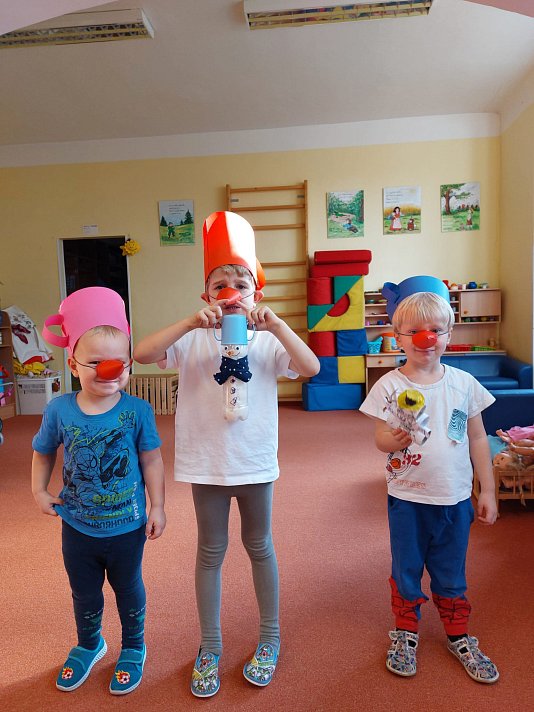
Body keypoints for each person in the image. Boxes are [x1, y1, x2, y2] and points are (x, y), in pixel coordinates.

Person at [134, 211, 319, 698]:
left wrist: (278, 326)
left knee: (260, 546)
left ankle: (270, 638)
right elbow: (142, 353)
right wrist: (188, 322)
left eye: (241, 284)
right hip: (208, 465)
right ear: (206, 296)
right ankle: (210, 645)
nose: (231, 291)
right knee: (211, 552)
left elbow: (311, 367)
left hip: (254, 462)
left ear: (257, 292)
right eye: (220, 285)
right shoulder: (193, 338)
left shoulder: (267, 340)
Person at [359, 276, 499, 684]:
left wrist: (488, 490)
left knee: (451, 570)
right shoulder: (390, 385)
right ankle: (405, 632)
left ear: (449, 334)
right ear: (398, 337)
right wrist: (393, 439)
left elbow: (478, 438)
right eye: (415, 331)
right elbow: (380, 439)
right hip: (408, 497)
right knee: (406, 568)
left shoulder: (463, 385)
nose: (427, 338)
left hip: (454, 498)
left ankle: (458, 634)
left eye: (436, 330)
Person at [32, 287, 166, 695]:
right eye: (95, 363)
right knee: (84, 592)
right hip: (77, 525)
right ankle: (90, 644)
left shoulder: (137, 410)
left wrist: (158, 505)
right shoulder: (59, 409)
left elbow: (152, 460)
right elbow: (43, 451)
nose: (109, 370)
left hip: (127, 525)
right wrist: (39, 491)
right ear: (73, 365)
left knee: (128, 588)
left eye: (119, 363)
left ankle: (133, 646)